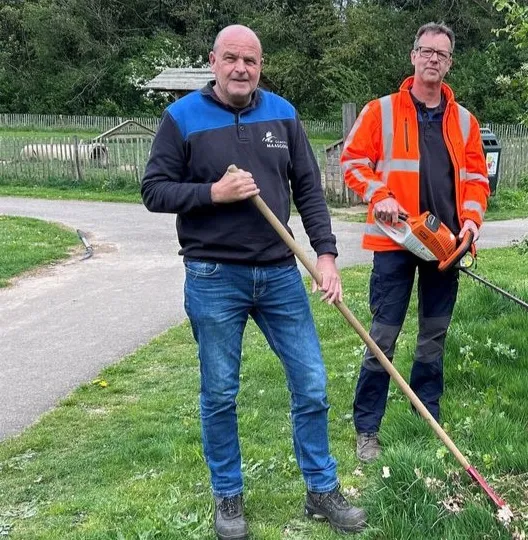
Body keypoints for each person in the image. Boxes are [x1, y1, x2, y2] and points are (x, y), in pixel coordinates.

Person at [141, 24, 366, 539]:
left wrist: (326, 255)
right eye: (231, 59)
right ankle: (229, 496)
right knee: (220, 392)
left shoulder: (283, 114)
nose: (241, 68)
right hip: (213, 275)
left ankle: (320, 489)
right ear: (213, 62)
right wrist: (212, 193)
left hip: (280, 273)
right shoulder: (181, 119)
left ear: (260, 65)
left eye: (251, 60)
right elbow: (154, 191)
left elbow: (308, 188)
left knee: (311, 383)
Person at [340, 22, 490, 463]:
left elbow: (478, 179)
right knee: (382, 335)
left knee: (434, 334)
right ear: (413, 56)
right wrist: (379, 195)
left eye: (441, 54)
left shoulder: (464, 121)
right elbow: (352, 162)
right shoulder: (380, 111)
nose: (433, 60)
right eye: (426, 51)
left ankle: (428, 414)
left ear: (449, 63)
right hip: (395, 241)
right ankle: (367, 427)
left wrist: (472, 223)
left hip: (445, 245)